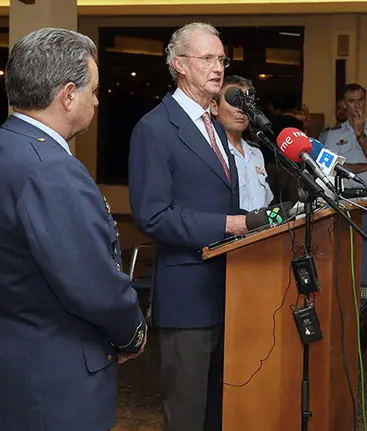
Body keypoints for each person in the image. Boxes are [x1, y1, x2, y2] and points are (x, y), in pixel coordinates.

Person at [0, 28, 146, 431]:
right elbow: (93, 284)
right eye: (93, 91)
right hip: (55, 388)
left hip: (10, 372)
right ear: (67, 95)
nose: (97, 101)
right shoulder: (51, 169)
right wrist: (133, 332)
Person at [128, 22, 247, 431]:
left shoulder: (214, 124)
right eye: (207, 58)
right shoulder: (155, 128)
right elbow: (153, 215)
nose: (218, 67)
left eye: (221, 59)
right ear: (179, 65)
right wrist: (229, 225)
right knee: (187, 418)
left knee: (217, 416)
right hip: (187, 299)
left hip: (230, 294)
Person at [211, 75, 274, 211]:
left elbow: (265, 203)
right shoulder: (209, 152)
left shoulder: (256, 153)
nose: (241, 109)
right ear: (214, 107)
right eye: (234, 102)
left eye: (247, 103)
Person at [322, 83, 367, 198]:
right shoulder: (334, 133)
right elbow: (330, 167)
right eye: (351, 101)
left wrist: (360, 133)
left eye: (360, 100)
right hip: (344, 195)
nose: (357, 106)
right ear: (344, 104)